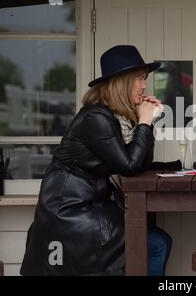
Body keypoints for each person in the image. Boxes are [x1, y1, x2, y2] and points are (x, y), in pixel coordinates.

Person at [20, 45, 172, 276]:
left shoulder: (115, 117)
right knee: (156, 243)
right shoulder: (96, 117)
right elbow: (129, 166)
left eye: (145, 78)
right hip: (71, 214)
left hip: (90, 209)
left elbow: (139, 163)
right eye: (139, 78)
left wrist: (146, 123)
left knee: (158, 240)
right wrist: (144, 123)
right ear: (122, 82)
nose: (144, 85)